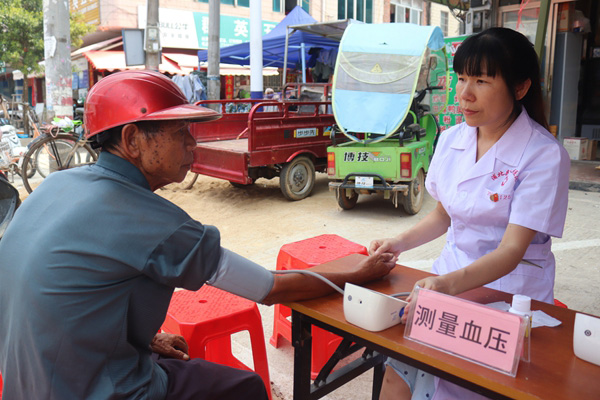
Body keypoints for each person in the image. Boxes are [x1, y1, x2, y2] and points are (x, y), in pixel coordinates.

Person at [0, 70, 397, 400]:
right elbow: (268, 288)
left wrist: (145, 340)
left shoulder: (56, 185)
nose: (193, 143)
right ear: (133, 141)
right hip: (100, 389)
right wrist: (358, 274)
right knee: (247, 388)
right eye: (179, 132)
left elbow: (61, 296)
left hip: (25, 384)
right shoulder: (153, 221)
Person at [370, 27, 570, 400]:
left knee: (467, 388)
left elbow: (511, 252)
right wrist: (397, 243)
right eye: (462, 78)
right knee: (400, 369)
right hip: (447, 280)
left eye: (481, 80)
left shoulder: (543, 155)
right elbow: (444, 216)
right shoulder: (452, 139)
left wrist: (446, 286)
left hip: (508, 294)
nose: (464, 94)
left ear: (520, 88)